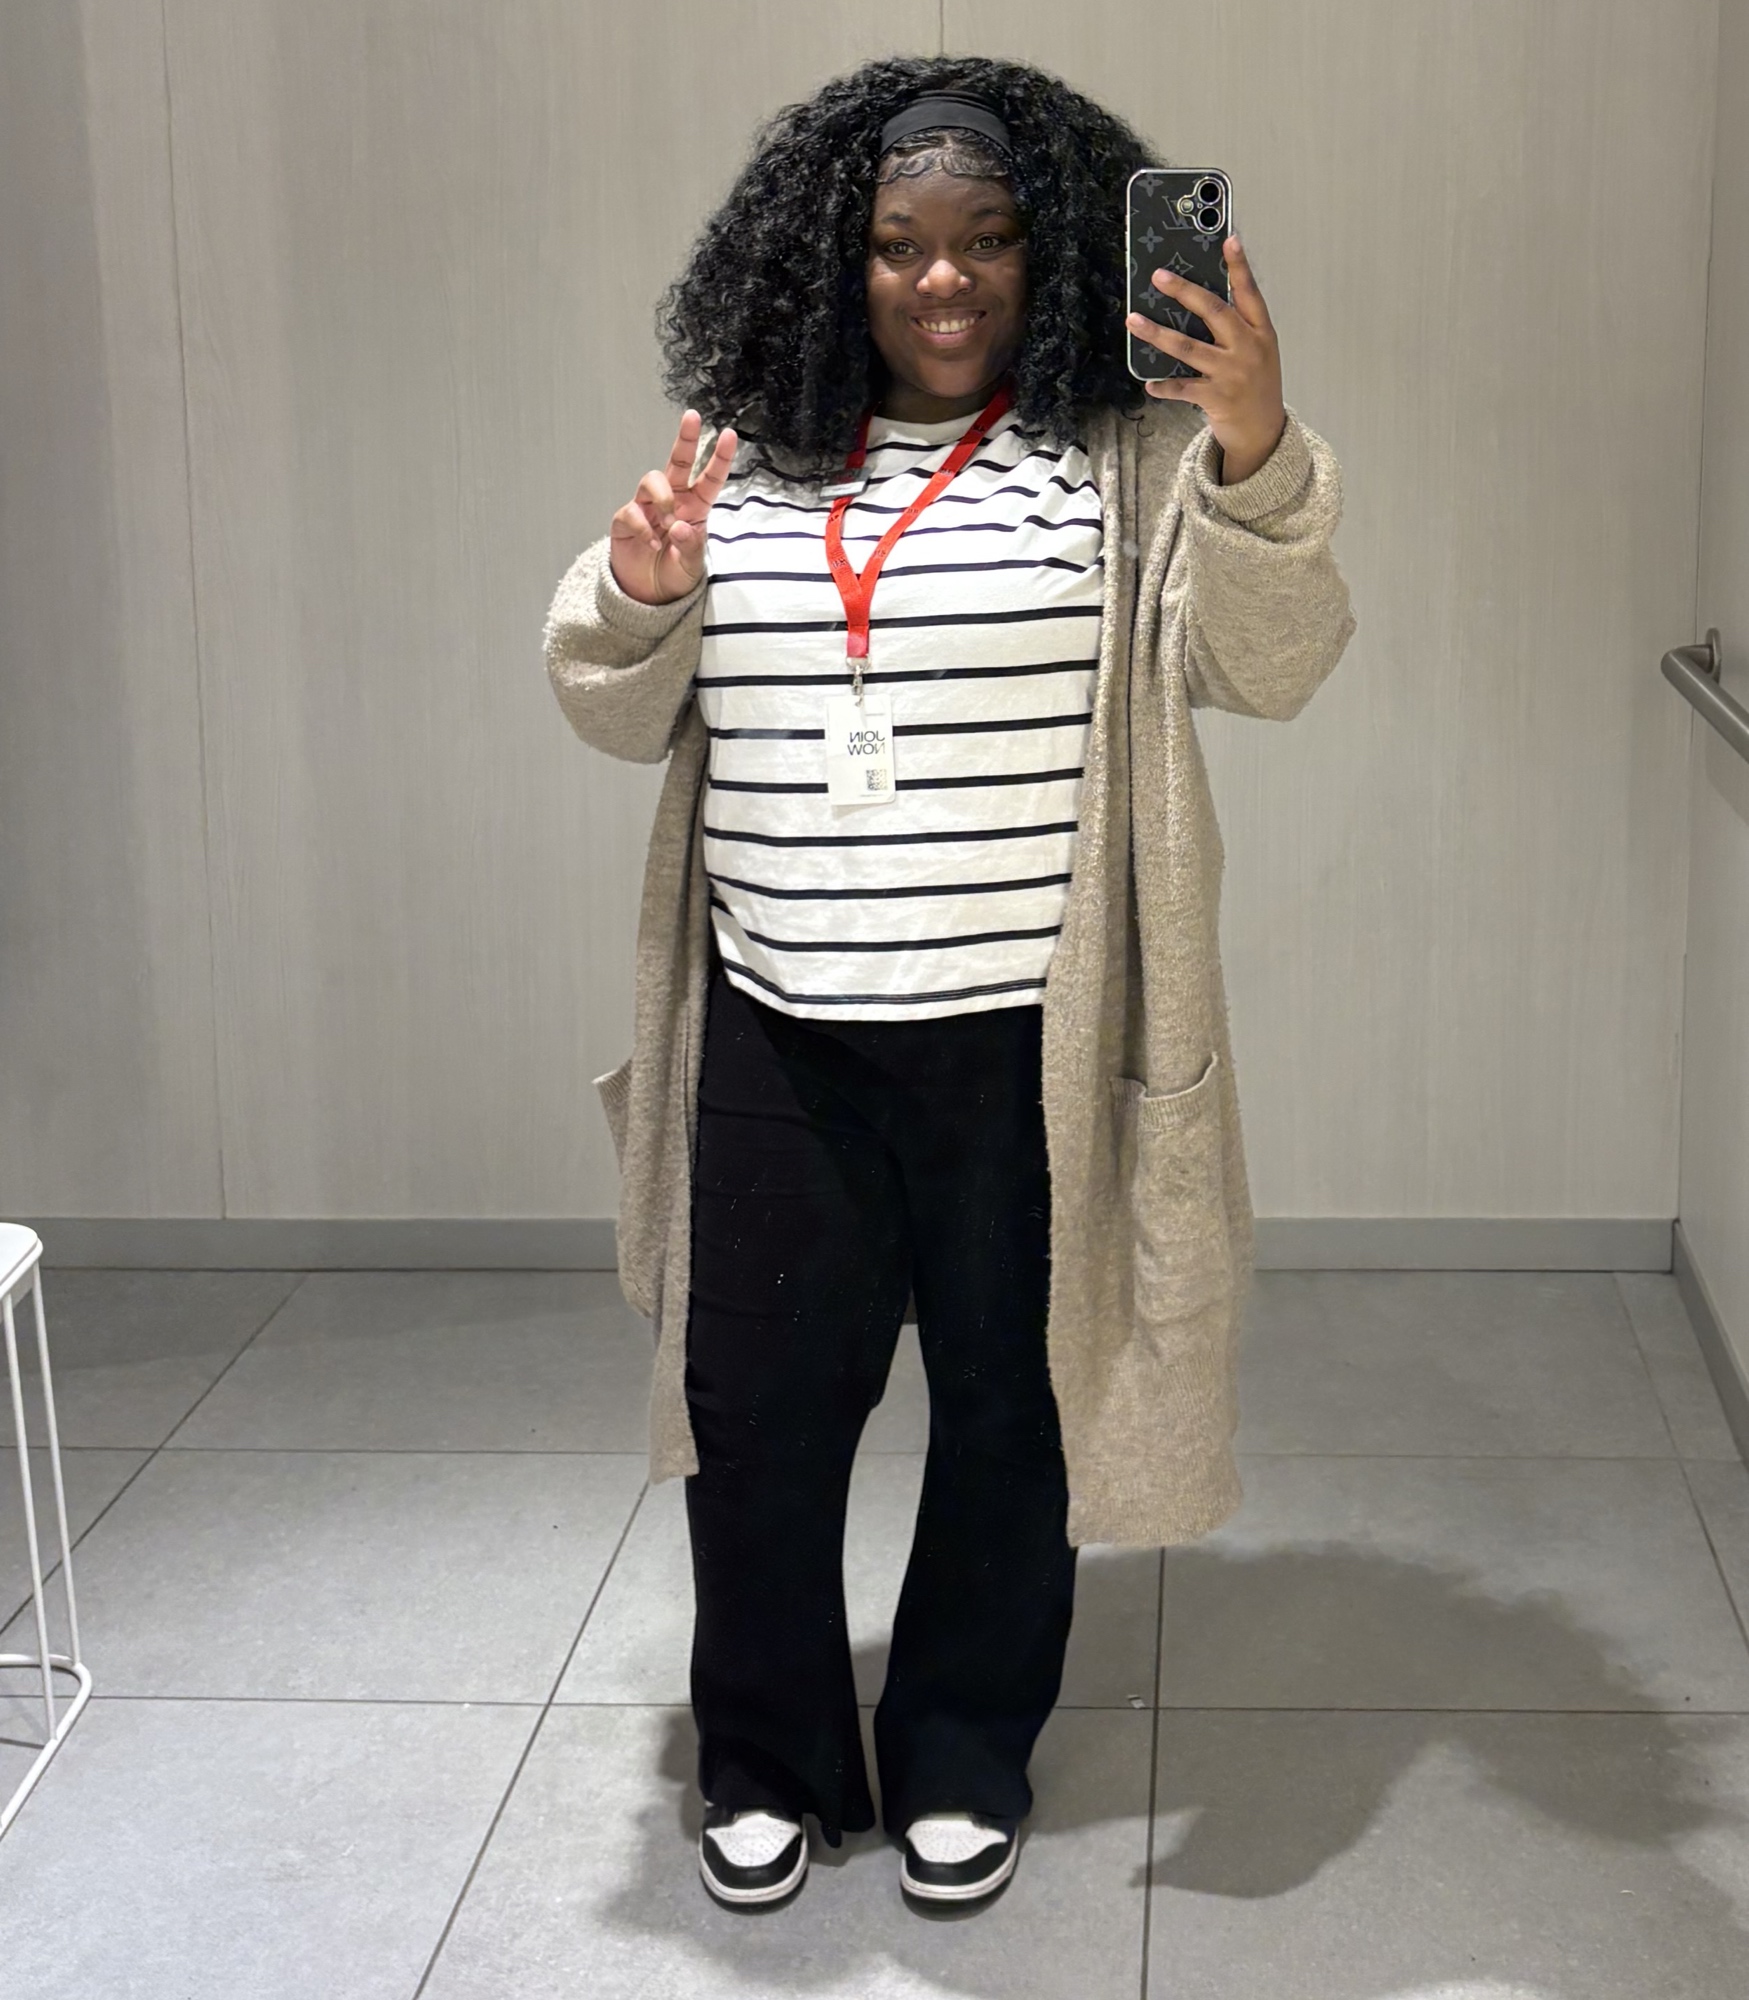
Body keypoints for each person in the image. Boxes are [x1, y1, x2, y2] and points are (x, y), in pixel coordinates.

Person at [543, 53, 1355, 1912]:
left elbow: (1276, 661)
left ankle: (963, 1749)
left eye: (986, 237)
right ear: (827, 258)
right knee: (755, 1419)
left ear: (1045, 250)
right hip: (773, 1034)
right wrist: (643, 591)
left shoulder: (1122, 456)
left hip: (1022, 1051)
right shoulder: (742, 452)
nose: (941, 277)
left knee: (1015, 1409)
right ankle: (764, 1756)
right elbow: (606, 698)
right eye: (897, 239)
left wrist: (1255, 444)